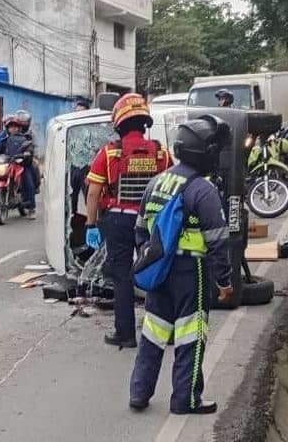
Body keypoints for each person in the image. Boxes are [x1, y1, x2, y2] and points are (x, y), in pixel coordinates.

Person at [129, 115, 234, 415]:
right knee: (191, 336)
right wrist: (224, 282)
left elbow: (139, 230)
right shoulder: (203, 190)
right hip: (192, 273)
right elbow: (217, 242)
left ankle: (139, 392)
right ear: (205, 152)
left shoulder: (157, 182)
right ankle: (185, 400)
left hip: (159, 270)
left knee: (153, 334)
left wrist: (151, 257)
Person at [85, 93, 171, 348]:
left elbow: (93, 192)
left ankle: (125, 334)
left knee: (122, 276)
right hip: (152, 222)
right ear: (145, 123)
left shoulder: (111, 153)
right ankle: (163, 331)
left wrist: (90, 224)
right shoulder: (161, 153)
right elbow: (172, 187)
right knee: (157, 272)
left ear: (118, 124)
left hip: (119, 221)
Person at [0, 113, 37, 219]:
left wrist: (27, 153)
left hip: (21, 165)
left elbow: (30, 148)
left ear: (19, 128)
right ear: (8, 128)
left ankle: (32, 208)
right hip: (8, 164)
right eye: (10, 127)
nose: (13, 129)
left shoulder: (25, 138)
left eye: (15, 126)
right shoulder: (4, 139)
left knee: (28, 182)